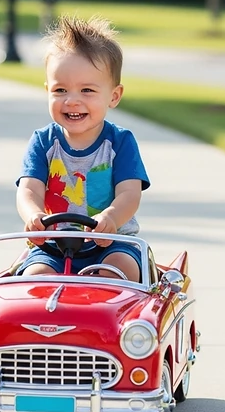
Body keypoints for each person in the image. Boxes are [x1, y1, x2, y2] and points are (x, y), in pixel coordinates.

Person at [15, 15, 149, 282]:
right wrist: (34, 215)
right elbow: (29, 188)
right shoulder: (43, 142)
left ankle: (113, 317)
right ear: (47, 91)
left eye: (87, 90)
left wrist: (111, 216)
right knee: (34, 277)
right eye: (60, 90)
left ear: (114, 96)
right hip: (52, 245)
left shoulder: (120, 142)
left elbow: (129, 194)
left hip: (110, 242)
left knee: (119, 268)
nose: (72, 101)